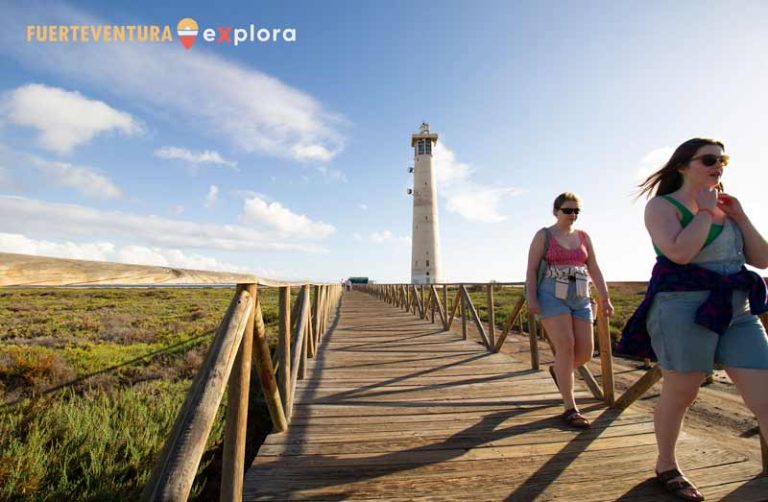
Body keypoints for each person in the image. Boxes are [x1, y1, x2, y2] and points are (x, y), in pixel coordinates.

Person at [618, 138, 768, 501]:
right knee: (682, 392)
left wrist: (741, 217)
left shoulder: (727, 208)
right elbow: (681, 254)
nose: (719, 166)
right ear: (683, 165)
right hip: (683, 308)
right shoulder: (661, 207)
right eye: (710, 159)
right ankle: (666, 464)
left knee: (765, 395)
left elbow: (761, 260)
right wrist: (702, 212)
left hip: (738, 309)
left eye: (723, 160)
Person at [525, 192, 613, 428]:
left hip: (580, 294)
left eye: (576, 211)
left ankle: (558, 369)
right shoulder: (544, 235)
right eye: (567, 210)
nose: (572, 215)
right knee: (566, 345)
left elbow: (593, 266)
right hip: (552, 294)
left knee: (585, 352)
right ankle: (570, 407)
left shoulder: (584, 237)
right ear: (556, 211)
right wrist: (531, 298)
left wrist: (605, 298)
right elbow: (532, 269)